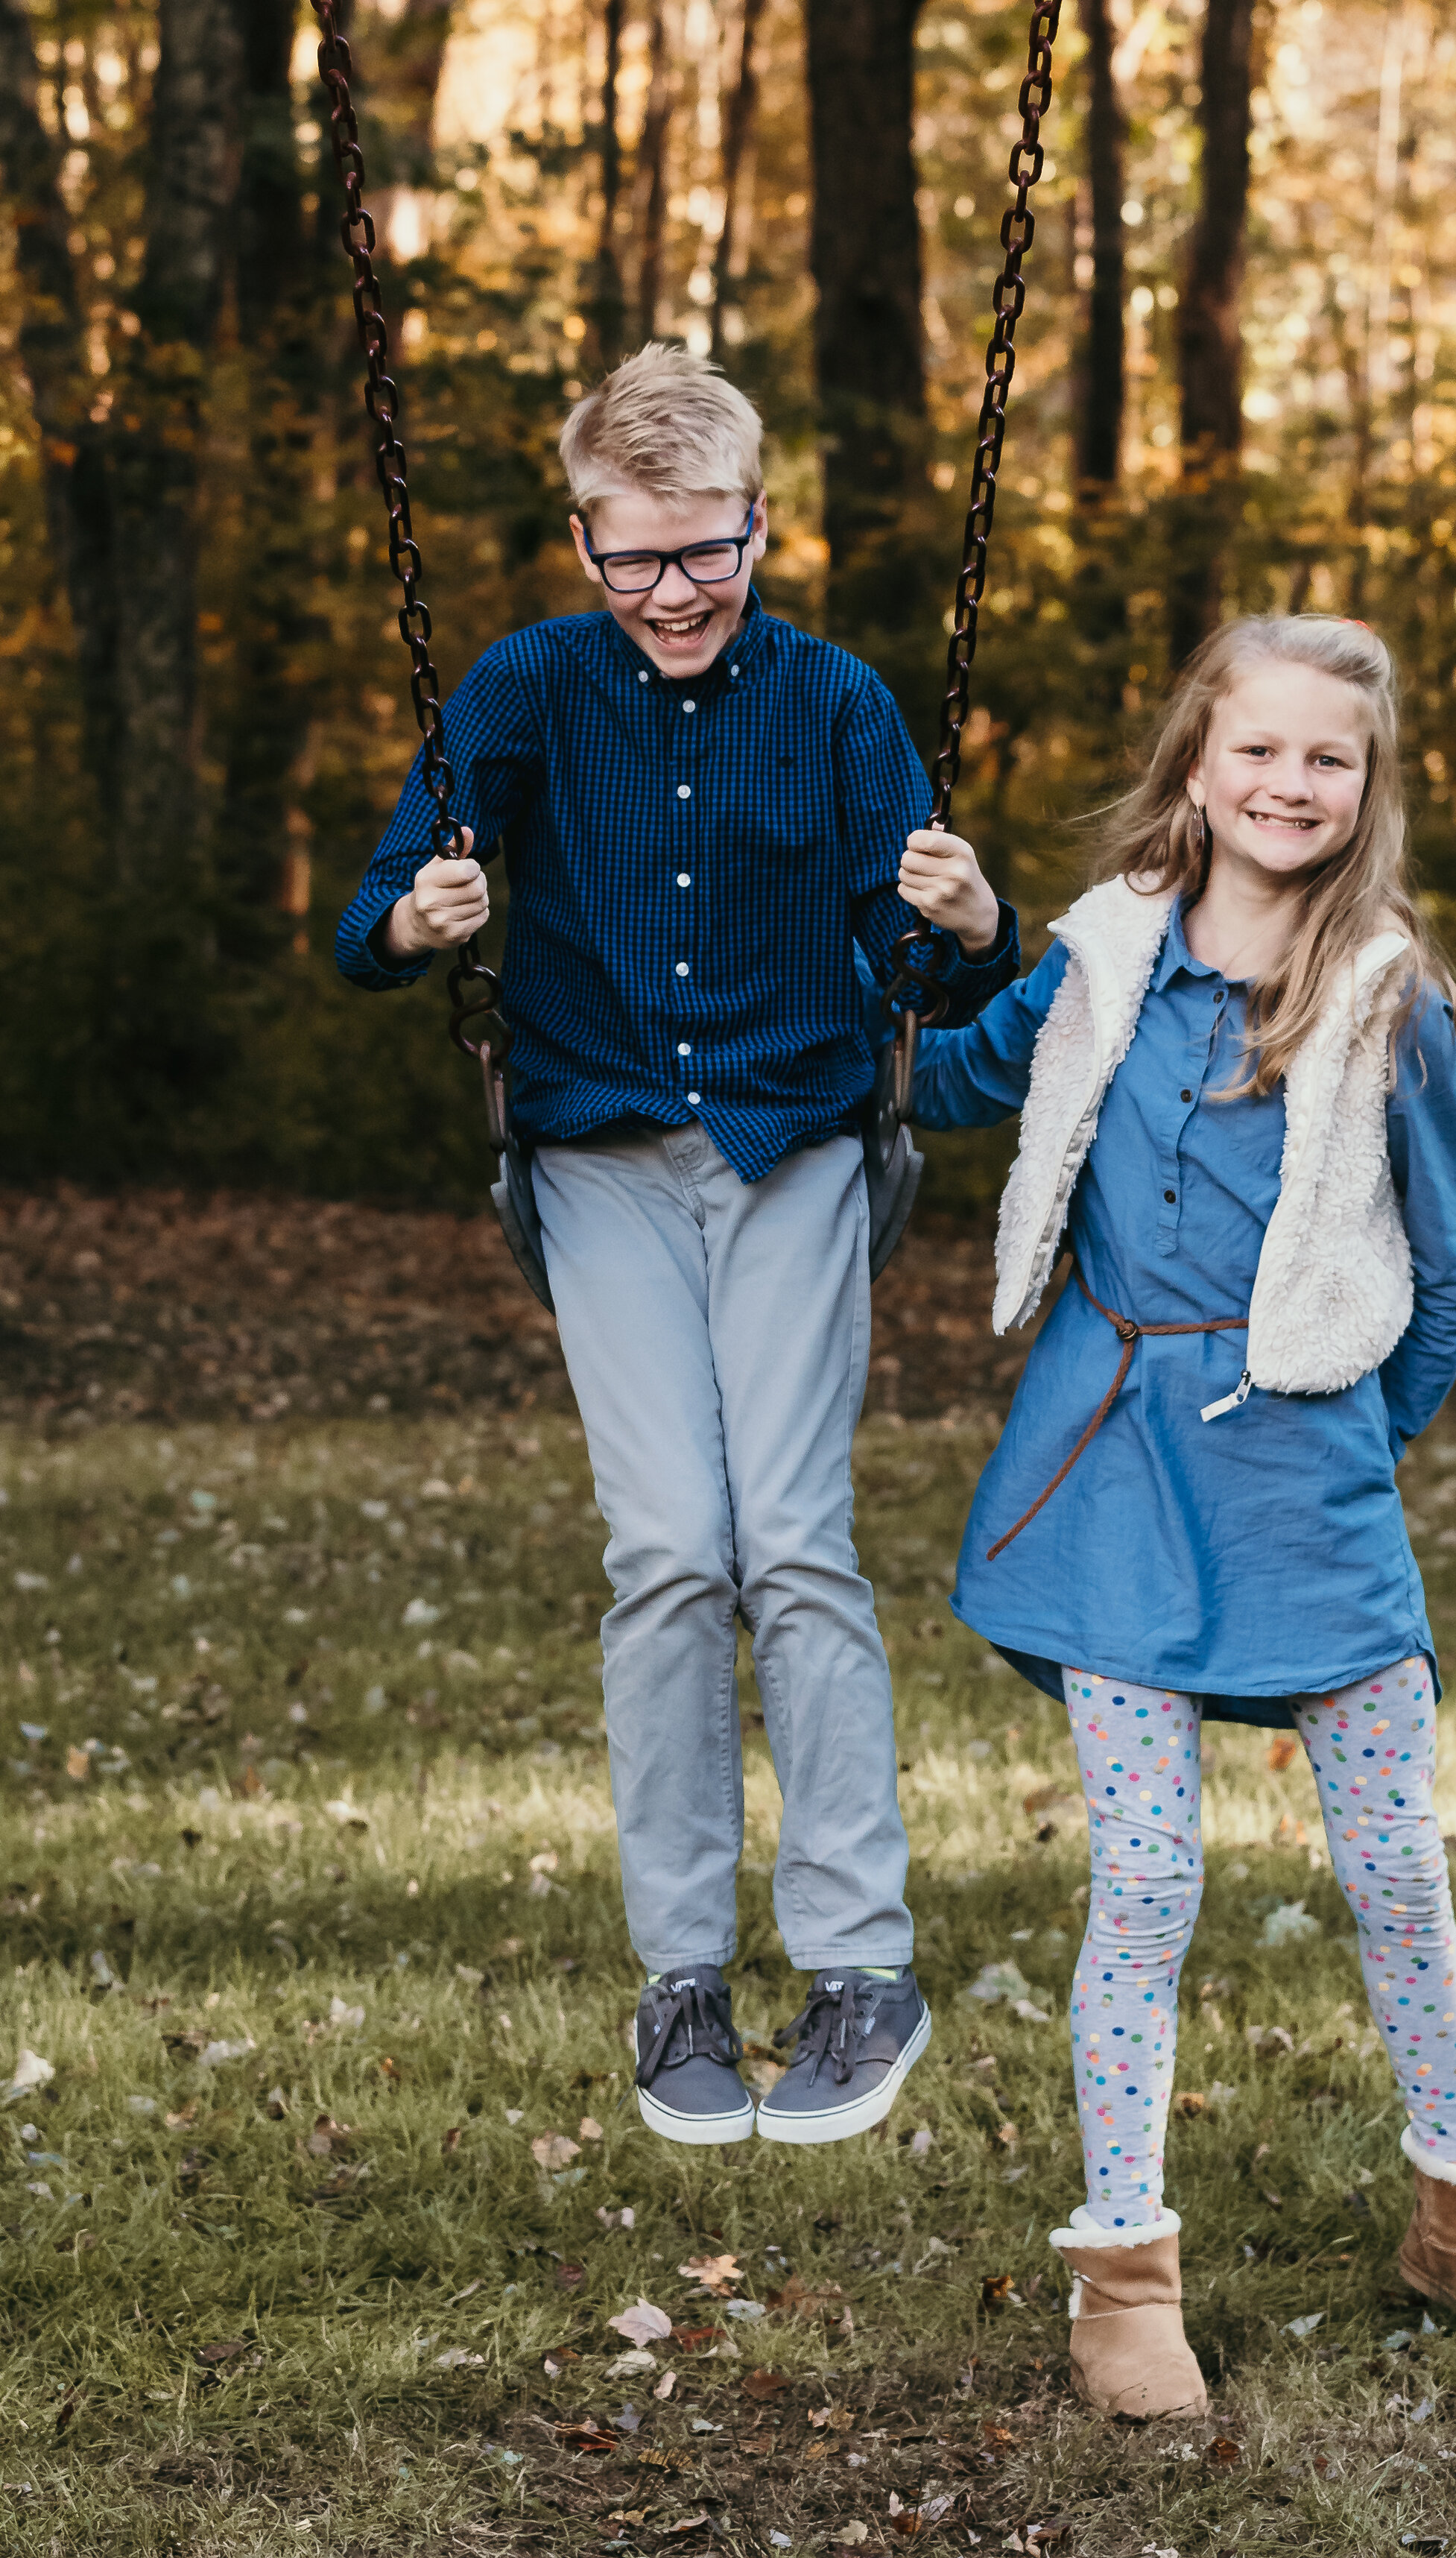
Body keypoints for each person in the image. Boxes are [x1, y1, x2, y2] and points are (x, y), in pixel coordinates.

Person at [908, 612, 1456, 2416]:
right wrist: (963, 935)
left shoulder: (1388, 1002)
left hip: (1303, 1478)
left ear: (1363, 791)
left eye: (1329, 759)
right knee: (1143, 1874)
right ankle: (1124, 2266)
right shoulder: (1108, 955)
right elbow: (966, 1075)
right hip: (1110, 1474)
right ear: (1194, 765)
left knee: (1392, 1864)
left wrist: (1351, 1445)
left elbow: (1441, 1281)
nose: (1289, 784)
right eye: (1259, 750)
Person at [336, 345, 1018, 2147]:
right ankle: (683, 1980)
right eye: (631, 559)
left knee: (789, 1539)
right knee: (666, 1550)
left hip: (795, 1144)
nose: (671, 593)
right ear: (581, 540)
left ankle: (862, 1966)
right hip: (598, 1153)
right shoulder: (525, 689)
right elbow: (367, 918)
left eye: (704, 553)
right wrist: (419, 915)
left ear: (758, 526)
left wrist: (972, 909)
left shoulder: (841, 702)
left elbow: (955, 962)